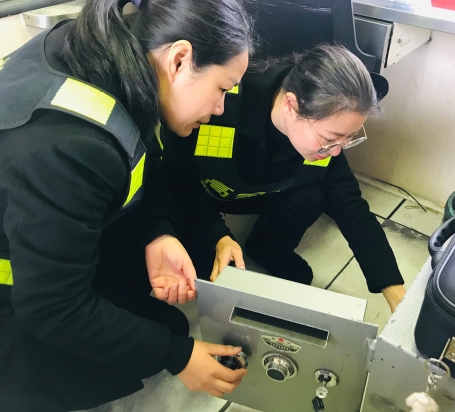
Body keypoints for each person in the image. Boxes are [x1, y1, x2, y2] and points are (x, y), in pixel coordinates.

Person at [0, 0, 254, 410]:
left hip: (33, 235)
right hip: (17, 297)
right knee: (156, 340)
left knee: (163, 320)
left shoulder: (103, 56)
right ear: (179, 59)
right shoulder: (66, 146)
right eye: (222, 88)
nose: (220, 108)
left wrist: (157, 231)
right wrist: (176, 356)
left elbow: (138, 159)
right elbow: (50, 306)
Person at [161, 45, 407, 312]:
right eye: (331, 139)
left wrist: (392, 287)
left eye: (348, 139)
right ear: (291, 105)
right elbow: (178, 181)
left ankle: (267, 248)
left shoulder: (327, 137)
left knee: (310, 198)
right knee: (206, 279)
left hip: (266, 190)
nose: (336, 151)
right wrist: (217, 235)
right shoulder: (221, 103)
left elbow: (350, 205)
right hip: (208, 191)